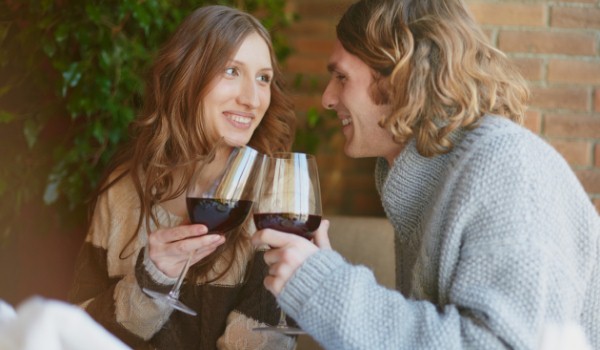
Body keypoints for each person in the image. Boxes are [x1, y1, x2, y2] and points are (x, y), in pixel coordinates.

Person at [252, 0, 600, 349]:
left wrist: (325, 287)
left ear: (402, 77)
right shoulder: (421, 178)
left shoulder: (508, 166)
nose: (327, 98)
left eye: (342, 77)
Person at [68, 5, 297, 349]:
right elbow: (74, 334)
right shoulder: (123, 192)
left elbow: (264, 342)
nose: (252, 98)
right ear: (188, 76)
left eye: (263, 78)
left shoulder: (275, 204)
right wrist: (149, 285)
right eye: (232, 71)